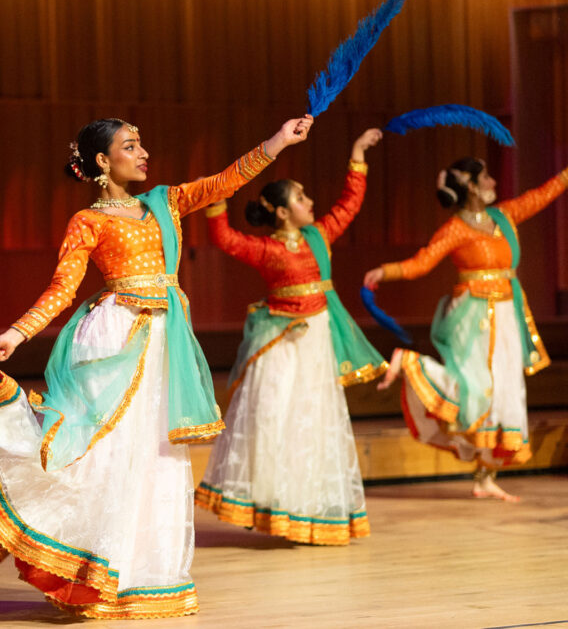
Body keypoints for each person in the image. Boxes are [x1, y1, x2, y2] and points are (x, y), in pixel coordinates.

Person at [0, 114, 313, 619]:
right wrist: (17, 332)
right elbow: (62, 288)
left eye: (142, 143)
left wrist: (279, 141)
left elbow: (224, 181)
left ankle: (144, 575)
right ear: (103, 162)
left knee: (156, 457)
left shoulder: (163, 203)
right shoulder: (90, 222)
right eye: (130, 146)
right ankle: (92, 571)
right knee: (105, 455)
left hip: (162, 343)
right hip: (114, 342)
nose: (143, 153)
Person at [195, 129, 386, 546]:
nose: (311, 203)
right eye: (301, 198)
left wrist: (356, 153)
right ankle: (267, 503)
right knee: (270, 418)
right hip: (278, 342)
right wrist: (215, 199)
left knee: (312, 421)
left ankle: (307, 507)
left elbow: (348, 204)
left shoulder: (319, 235)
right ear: (282, 212)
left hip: (316, 340)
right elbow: (224, 239)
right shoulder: (264, 249)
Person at [364, 159, 568, 502]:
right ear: (472, 186)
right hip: (471, 318)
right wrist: (387, 271)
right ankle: (410, 363)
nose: (492, 182)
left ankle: (485, 477)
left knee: (506, 391)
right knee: (476, 387)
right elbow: (422, 262)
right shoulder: (455, 229)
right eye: (486, 177)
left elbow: (542, 195)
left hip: (506, 313)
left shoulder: (504, 216)